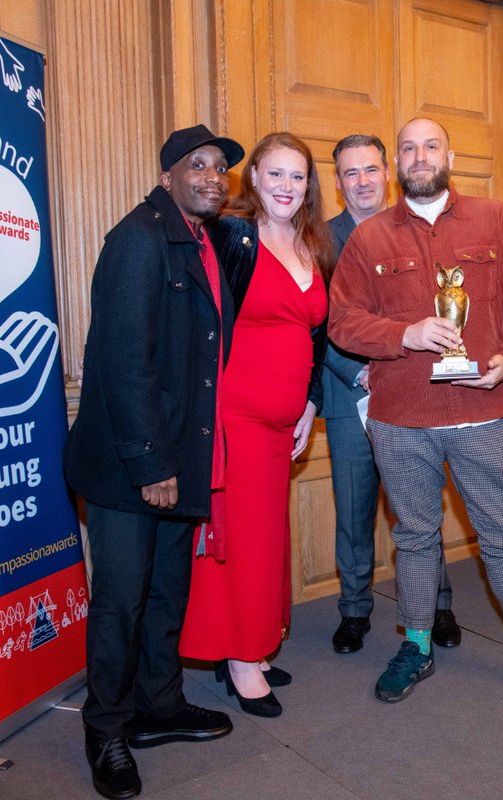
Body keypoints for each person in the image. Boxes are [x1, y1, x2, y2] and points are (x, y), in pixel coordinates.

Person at [329, 117, 503, 709]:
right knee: (415, 536)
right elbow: (341, 321)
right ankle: (416, 642)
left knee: (501, 535)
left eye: (430, 145)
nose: (420, 156)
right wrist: (406, 333)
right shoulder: (369, 240)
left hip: (484, 410)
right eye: (408, 148)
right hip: (400, 417)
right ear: (397, 163)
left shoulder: (494, 219)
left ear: (450, 155)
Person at [64, 124, 246, 800]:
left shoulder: (201, 241)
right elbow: (120, 362)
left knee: (169, 590)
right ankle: (105, 728)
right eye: (196, 165)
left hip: (178, 457)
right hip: (128, 467)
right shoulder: (137, 239)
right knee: (120, 602)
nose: (211, 177)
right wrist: (150, 463)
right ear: (168, 173)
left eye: (219, 168)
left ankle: (158, 704)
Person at [180, 132, 331, 718]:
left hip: (285, 422)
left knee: (267, 536)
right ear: (254, 180)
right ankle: (240, 658)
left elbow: (316, 341)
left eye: (298, 177)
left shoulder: (313, 245)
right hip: (234, 415)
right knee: (237, 537)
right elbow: (202, 323)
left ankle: (255, 643)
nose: (287, 187)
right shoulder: (229, 237)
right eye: (275, 175)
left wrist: (311, 405)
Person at [324, 134, 460, 654]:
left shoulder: (417, 227)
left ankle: (438, 606)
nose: (362, 181)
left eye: (370, 170)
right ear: (338, 184)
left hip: (414, 394)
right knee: (353, 511)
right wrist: (358, 375)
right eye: (350, 173)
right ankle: (354, 611)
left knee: (421, 506)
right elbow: (317, 327)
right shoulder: (317, 240)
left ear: (388, 173)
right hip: (348, 392)